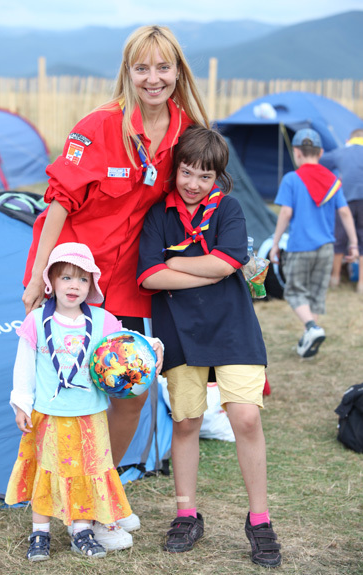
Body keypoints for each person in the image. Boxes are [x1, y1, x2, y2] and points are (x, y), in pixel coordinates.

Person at [20, 25, 209, 541]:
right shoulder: (99, 126)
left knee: (131, 391)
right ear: (128, 72)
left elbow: (199, 189)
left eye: (163, 67)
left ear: (177, 73)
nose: (153, 78)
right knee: (69, 391)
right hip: (72, 275)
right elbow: (58, 204)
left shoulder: (183, 129)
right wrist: (40, 275)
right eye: (141, 67)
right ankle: (67, 503)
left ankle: (99, 496)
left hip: (125, 280)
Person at [137, 125, 282, 568]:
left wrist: (177, 262)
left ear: (218, 176)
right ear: (174, 170)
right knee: (186, 422)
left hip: (233, 325)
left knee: (246, 418)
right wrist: (206, 269)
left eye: (205, 175)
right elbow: (149, 276)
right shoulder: (159, 215)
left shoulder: (230, 209)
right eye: (186, 172)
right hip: (178, 329)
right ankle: (186, 514)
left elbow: (229, 262)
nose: (194, 184)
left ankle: (259, 520)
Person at [5, 243, 163, 561]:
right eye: (66, 277)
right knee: (47, 470)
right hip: (48, 414)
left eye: (82, 279)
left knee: (85, 472)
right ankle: (40, 532)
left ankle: (81, 530)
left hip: (90, 415)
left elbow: (125, 346)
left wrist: (152, 346)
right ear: (51, 281)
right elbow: (23, 365)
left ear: (91, 285)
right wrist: (21, 402)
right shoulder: (37, 321)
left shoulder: (102, 320)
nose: (74, 285)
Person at [269, 128, 359, 358]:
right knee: (315, 296)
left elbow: (286, 213)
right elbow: (346, 213)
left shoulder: (292, 179)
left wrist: (276, 242)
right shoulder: (332, 180)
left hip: (301, 247)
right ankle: (309, 339)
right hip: (327, 248)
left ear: (297, 153)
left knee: (294, 292)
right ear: (320, 153)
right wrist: (354, 244)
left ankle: (312, 328)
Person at [320, 128, 363, 294]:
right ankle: (361, 284)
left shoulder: (341, 152)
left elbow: (320, 160)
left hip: (346, 199)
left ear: (349, 140)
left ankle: (335, 278)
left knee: (339, 239)